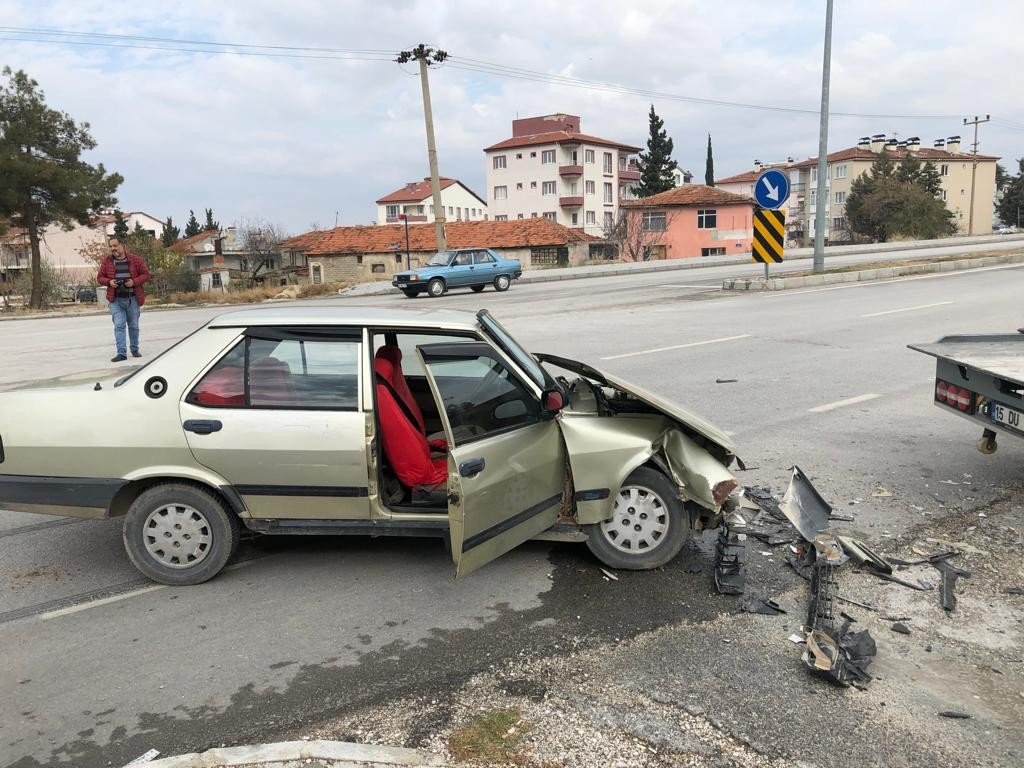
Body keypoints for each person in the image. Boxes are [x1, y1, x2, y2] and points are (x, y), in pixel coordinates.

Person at [97, 237, 151, 362]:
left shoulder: (135, 260)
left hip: (132, 298)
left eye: (115, 245)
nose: (113, 249)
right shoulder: (107, 261)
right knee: (119, 325)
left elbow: (146, 275)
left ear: (122, 245)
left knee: (133, 326)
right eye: (111, 246)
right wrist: (109, 282)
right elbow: (100, 278)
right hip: (115, 299)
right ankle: (121, 353)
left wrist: (134, 282)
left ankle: (134, 349)